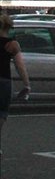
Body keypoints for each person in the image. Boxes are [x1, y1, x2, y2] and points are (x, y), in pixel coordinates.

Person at [2, 14, 33, 157]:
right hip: (3, 81)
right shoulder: (12, 44)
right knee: (1, 113)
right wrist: (26, 84)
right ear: (9, 27)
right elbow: (20, 66)